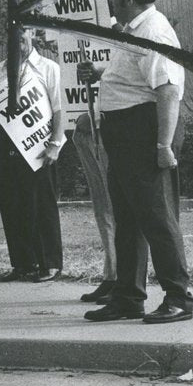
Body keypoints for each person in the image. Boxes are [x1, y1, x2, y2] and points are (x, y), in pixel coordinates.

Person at [79, 0, 193, 324]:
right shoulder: (134, 31)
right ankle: (128, 296)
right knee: (127, 217)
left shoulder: (154, 31)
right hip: (125, 133)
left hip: (144, 132)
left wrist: (163, 144)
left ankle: (178, 297)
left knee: (157, 217)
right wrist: (101, 72)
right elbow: (136, 77)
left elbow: (168, 90)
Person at [0, 27, 65, 283]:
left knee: (42, 204)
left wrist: (55, 144)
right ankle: (22, 263)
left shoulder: (48, 67)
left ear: (32, 33)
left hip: (39, 145)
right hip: (7, 143)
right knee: (12, 204)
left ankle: (50, 263)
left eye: (23, 30)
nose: (17, 36)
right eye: (12, 31)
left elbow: (58, 109)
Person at [71, 112, 117, 303]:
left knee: (116, 206)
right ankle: (112, 276)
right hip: (89, 129)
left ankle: (124, 279)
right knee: (103, 207)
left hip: (113, 128)